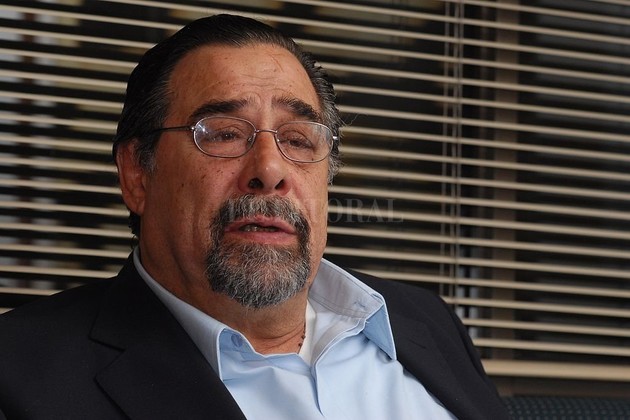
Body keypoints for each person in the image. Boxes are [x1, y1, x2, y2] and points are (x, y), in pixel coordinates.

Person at [0, 14, 510, 420]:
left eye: (298, 140)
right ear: (137, 174)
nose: (270, 170)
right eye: (223, 133)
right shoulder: (20, 371)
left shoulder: (422, 321)